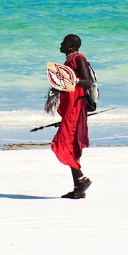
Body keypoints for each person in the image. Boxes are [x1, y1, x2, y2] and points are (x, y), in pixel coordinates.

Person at [52, 34, 92, 199]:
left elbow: (88, 82)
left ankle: (82, 180)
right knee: (69, 144)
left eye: (64, 42)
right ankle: (78, 188)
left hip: (76, 107)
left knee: (64, 143)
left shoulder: (78, 58)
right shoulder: (68, 61)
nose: (61, 43)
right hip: (70, 107)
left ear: (71, 46)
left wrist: (73, 81)